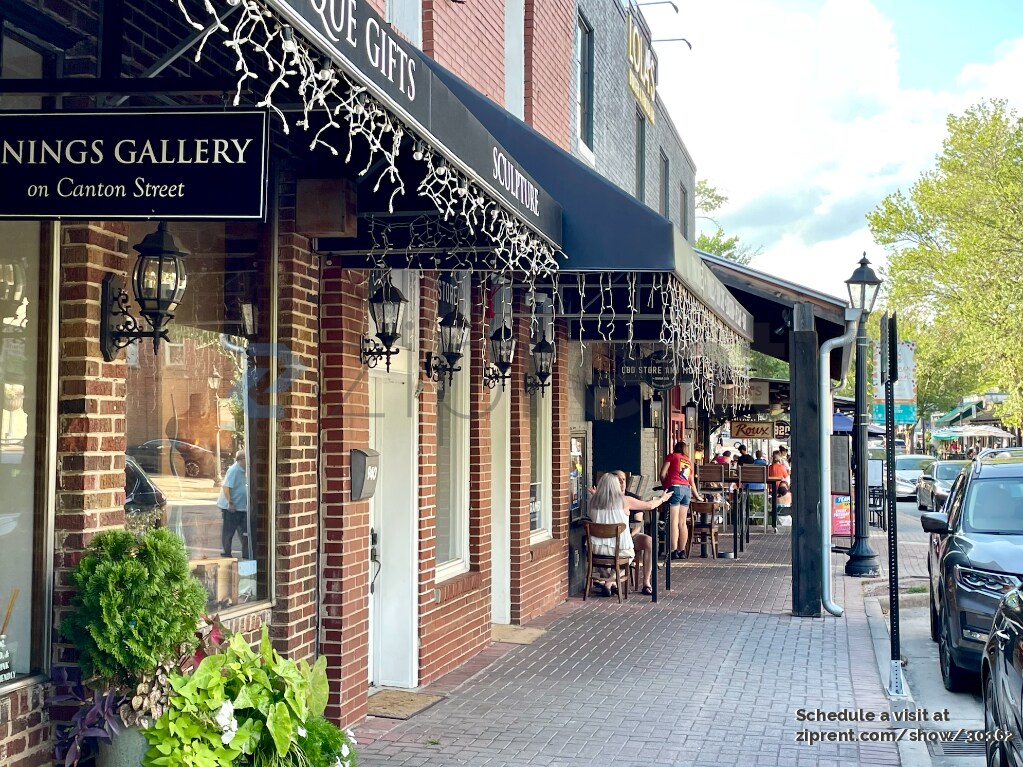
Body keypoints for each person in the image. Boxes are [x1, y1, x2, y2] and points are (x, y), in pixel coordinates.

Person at [588, 472, 670, 597]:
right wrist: (662, 498)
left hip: (596, 549)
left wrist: (595, 495)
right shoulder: (625, 501)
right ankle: (609, 583)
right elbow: (650, 505)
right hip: (620, 549)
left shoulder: (593, 502)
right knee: (629, 556)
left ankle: (608, 582)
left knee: (605, 559)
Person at [660, 441, 704, 560]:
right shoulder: (688, 461)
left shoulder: (672, 456)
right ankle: (682, 551)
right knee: (682, 523)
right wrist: (697, 496)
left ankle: (673, 550)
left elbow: (662, 473)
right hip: (686, 491)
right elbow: (691, 482)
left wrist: (666, 486)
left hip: (675, 488)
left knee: (673, 522)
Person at [615, 470, 655, 595]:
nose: (622, 482)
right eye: (618, 480)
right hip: (612, 536)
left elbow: (638, 524)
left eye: (623, 479)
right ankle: (611, 582)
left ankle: (646, 582)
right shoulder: (607, 499)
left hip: (631, 535)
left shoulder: (633, 498)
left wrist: (629, 535)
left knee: (649, 541)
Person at [218, 450, 249, 558]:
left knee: (245, 533)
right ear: (242, 460)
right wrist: (230, 502)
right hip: (232, 507)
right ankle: (227, 553)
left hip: (242, 508)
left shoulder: (245, 471)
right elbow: (226, 487)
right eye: (247, 459)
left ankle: (247, 555)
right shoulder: (234, 470)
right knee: (228, 532)